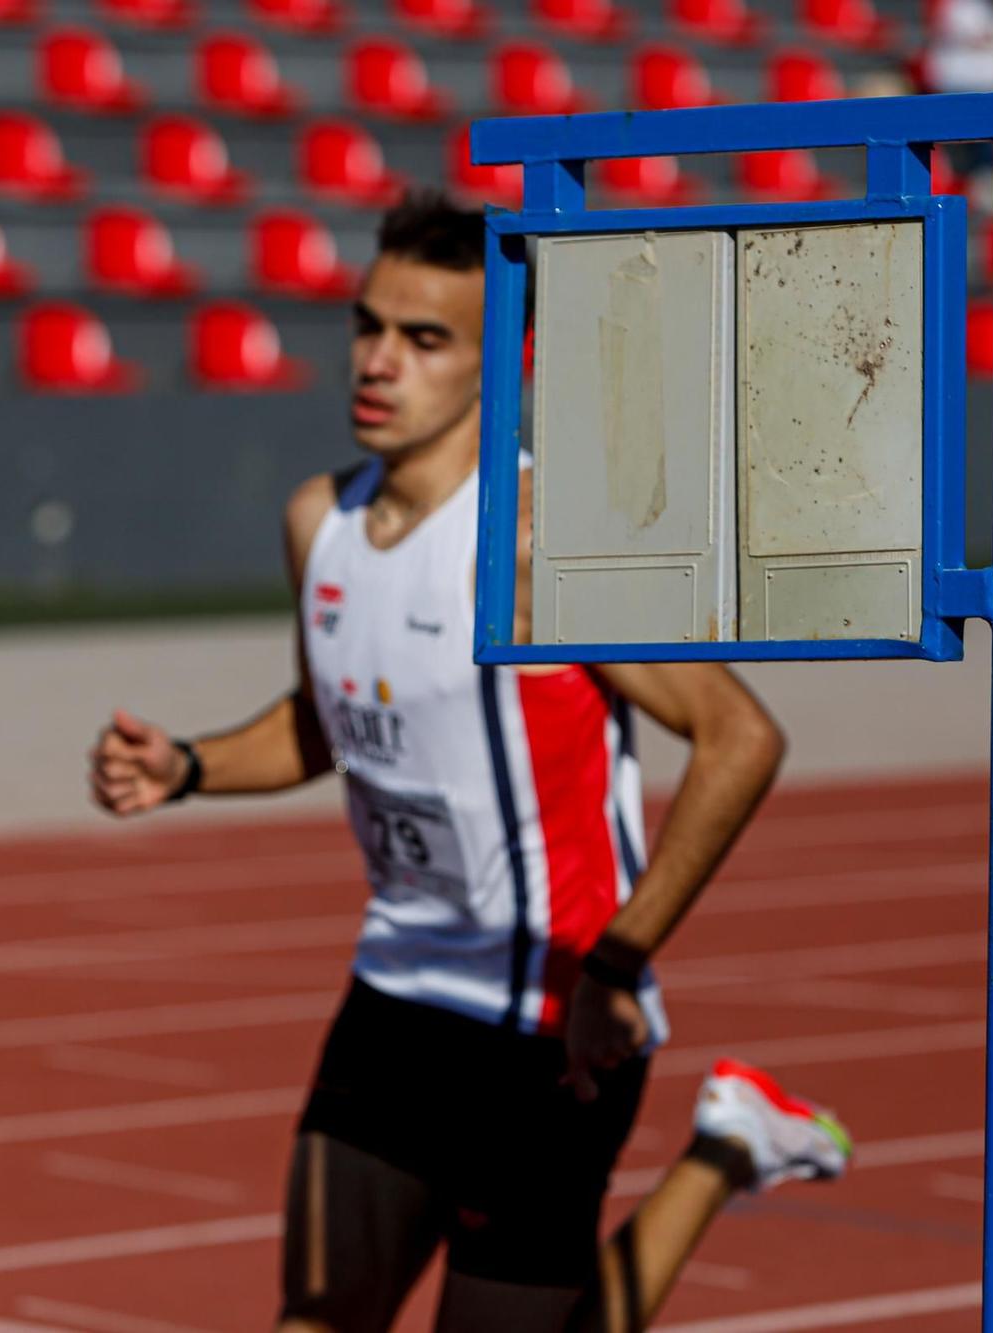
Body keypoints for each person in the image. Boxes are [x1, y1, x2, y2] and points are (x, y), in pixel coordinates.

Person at [87, 191, 852, 1333]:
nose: (380, 362)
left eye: (425, 338)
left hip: (548, 1027)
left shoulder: (540, 540)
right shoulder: (320, 520)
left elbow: (741, 738)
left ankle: (727, 1148)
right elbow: (323, 721)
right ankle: (733, 1140)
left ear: (504, 356)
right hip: (394, 995)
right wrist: (187, 766)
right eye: (368, 327)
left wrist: (618, 963)